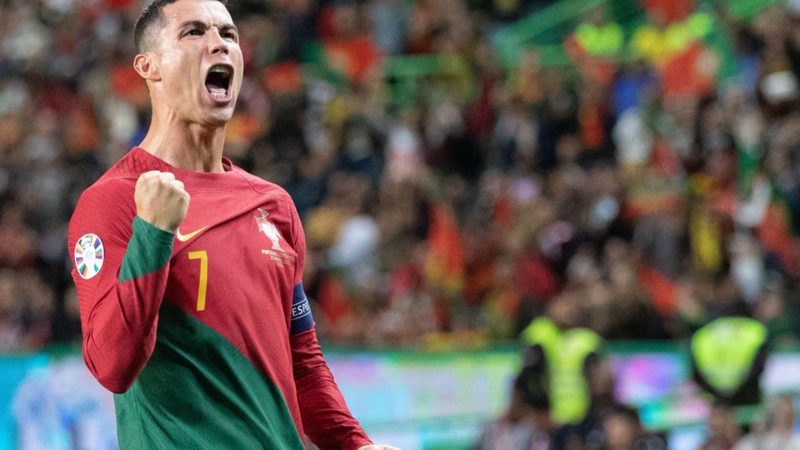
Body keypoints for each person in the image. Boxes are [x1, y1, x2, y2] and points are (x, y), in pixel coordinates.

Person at [66, 1, 398, 449]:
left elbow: (302, 362)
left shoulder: (273, 206)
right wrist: (153, 233)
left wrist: (356, 444)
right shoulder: (114, 200)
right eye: (194, 32)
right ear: (149, 66)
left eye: (229, 34)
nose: (219, 43)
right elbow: (112, 366)